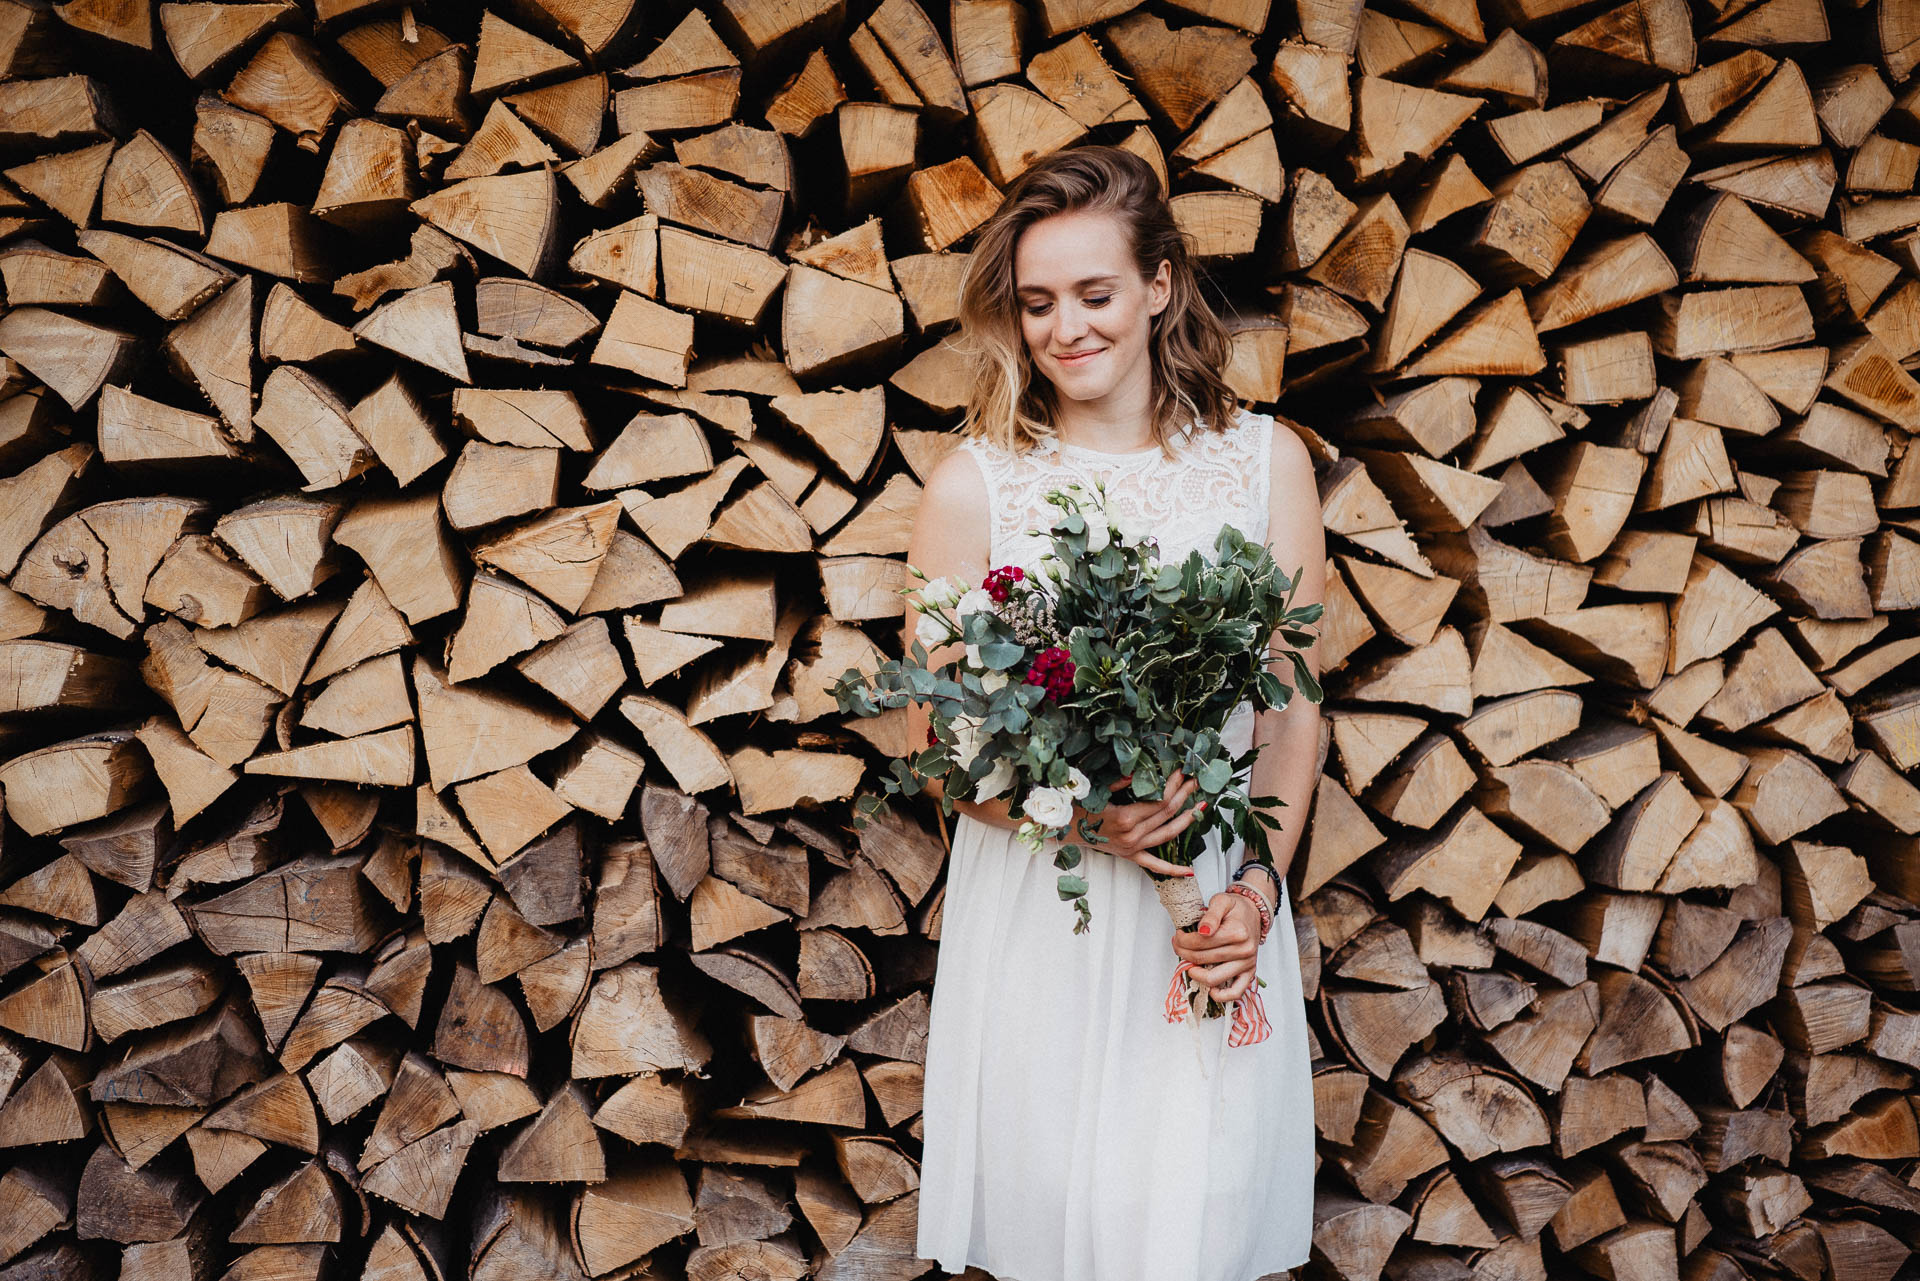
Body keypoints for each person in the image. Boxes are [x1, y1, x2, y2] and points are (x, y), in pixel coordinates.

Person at [903, 145, 1325, 1281]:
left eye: (1095, 293)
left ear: (1159, 286)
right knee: (1060, 1218)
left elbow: (1292, 708)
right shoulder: (974, 488)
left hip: (1212, 908)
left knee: (1201, 1213)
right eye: (1037, 302)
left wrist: (1255, 886)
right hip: (1060, 910)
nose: (1066, 327)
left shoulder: (1264, 462)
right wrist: (1084, 826)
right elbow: (940, 748)